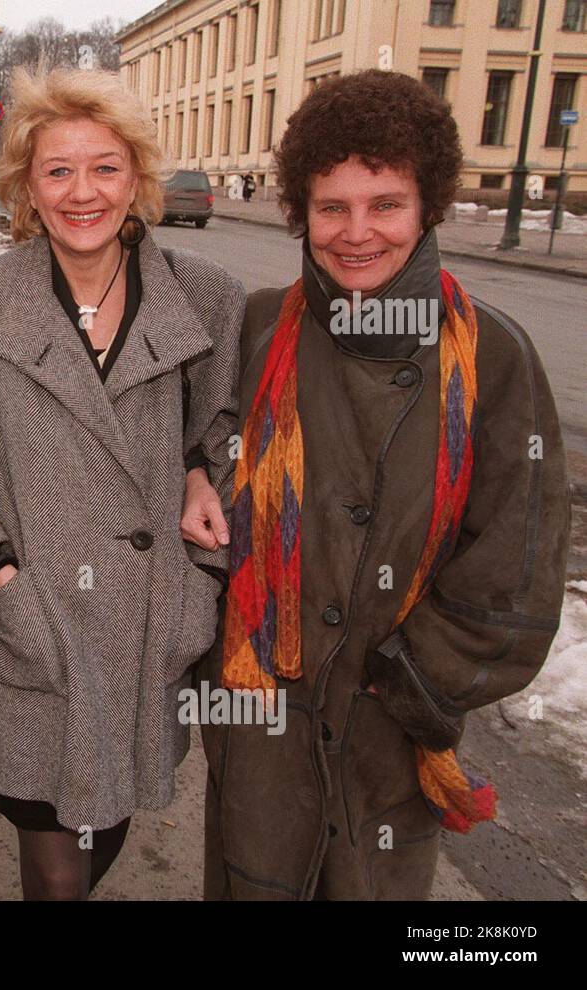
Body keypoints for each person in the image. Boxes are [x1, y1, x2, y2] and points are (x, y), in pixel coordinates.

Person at [191, 70, 569, 900]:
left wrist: (405, 678)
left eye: (385, 204)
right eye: (331, 207)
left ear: (427, 204)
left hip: (389, 738)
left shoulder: (495, 359)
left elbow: (516, 570)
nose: (356, 232)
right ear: (301, 210)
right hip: (261, 730)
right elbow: (189, 452)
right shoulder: (256, 326)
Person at [0, 67, 243, 900]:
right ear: (27, 190)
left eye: (105, 167)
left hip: (146, 630)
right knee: (51, 855)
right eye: (58, 170)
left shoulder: (205, 297)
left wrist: (196, 576)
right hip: (32, 623)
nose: (83, 192)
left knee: (104, 826)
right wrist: (0, 579)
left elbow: (225, 445)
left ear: (137, 178)